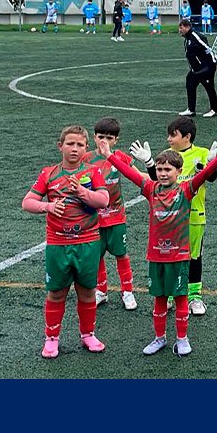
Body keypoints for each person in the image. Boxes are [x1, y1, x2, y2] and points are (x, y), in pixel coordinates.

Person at [109, 138, 217, 356]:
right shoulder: (150, 189)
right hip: (156, 257)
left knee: (180, 299)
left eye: (167, 169)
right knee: (159, 299)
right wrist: (108, 155)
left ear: (179, 171)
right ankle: (159, 338)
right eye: (159, 169)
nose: (162, 173)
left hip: (178, 257)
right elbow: (129, 173)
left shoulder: (187, 189)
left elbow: (206, 174)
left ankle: (182, 338)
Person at [21, 125, 111, 358]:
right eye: (70, 144)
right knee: (56, 293)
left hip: (88, 242)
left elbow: (103, 200)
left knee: (87, 291)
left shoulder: (92, 172)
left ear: (86, 148)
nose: (75, 148)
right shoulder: (49, 173)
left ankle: (88, 335)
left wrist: (82, 192)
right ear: (60, 146)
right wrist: (48, 206)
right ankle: (51, 339)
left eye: (80, 144)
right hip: (58, 244)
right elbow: (28, 202)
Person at [144, 116, 217, 315]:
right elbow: (156, 182)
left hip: (195, 215)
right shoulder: (167, 155)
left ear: (186, 137)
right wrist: (150, 164)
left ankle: (195, 297)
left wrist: (210, 163)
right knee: (170, 256)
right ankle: (170, 294)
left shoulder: (203, 153)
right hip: (170, 218)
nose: (169, 139)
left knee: (194, 256)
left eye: (173, 135)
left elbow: (211, 178)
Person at [88, 118, 137, 311]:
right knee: (96, 256)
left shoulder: (119, 157)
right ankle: (101, 291)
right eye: (101, 137)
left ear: (116, 140)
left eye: (109, 138)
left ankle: (128, 291)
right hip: (93, 219)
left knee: (121, 255)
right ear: (94, 137)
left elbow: (137, 176)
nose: (104, 141)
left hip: (117, 217)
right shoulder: (86, 158)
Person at [178, 19, 217, 118]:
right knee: (190, 83)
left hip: (205, 68)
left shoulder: (196, 36)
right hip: (196, 70)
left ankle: (214, 110)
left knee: (209, 87)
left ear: (187, 27)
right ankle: (191, 110)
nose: (180, 30)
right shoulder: (187, 38)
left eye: (181, 28)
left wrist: (212, 63)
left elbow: (208, 49)